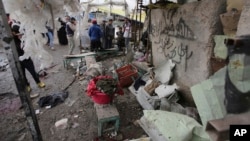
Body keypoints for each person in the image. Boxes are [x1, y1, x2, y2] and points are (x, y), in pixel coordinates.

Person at [11, 25, 45, 92]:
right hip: (18, 60)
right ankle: (27, 85)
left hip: (27, 59)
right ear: (14, 33)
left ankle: (38, 82)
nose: (20, 35)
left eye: (20, 34)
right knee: (22, 75)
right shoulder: (12, 40)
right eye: (18, 34)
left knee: (33, 72)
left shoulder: (23, 38)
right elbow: (5, 40)